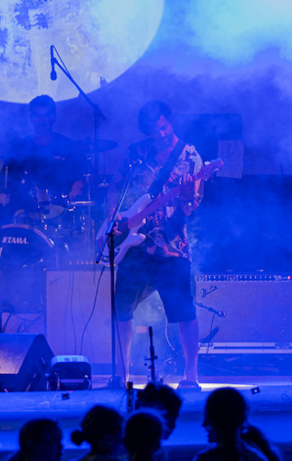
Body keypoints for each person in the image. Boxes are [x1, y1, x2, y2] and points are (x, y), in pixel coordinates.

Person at [100, 101, 204, 389]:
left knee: (185, 313)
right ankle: (121, 375)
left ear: (170, 121)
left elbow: (191, 207)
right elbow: (116, 185)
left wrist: (186, 197)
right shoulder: (136, 152)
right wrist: (113, 215)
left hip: (172, 248)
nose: (160, 133)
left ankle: (191, 376)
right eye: (153, 129)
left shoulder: (190, 157)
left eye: (164, 126)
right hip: (134, 246)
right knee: (121, 310)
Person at [0, 95, 88, 221]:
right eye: (37, 116)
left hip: (65, 216)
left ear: (54, 117)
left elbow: (86, 174)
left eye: (46, 115)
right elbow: (4, 181)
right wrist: (2, 195)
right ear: (31, 118)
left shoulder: (68, 146)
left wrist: (78, 185)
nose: (41, 121)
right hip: (26, 215)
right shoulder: (19, 148)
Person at [193, 388, 267, 461]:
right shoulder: (255, 457)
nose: (203, 424)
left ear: (219, 421)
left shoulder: (206, 458)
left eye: (208, 418)